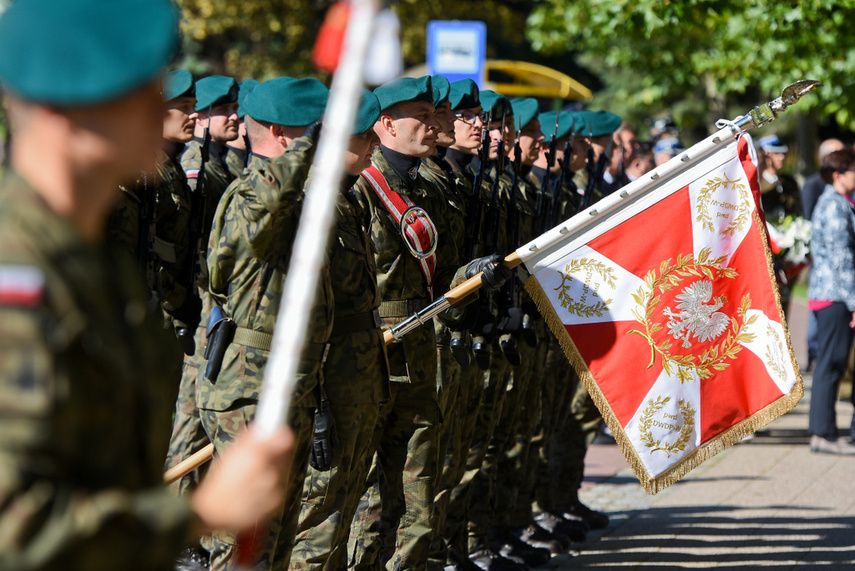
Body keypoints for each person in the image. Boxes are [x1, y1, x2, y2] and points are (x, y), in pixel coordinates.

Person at [0, 0, 294, 569]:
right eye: (137, 88)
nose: (161, 107)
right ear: (67, 109)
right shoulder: (19, 274)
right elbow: (15, 527)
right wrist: (200, 515)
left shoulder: (89, 259)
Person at [197, 76, 331, 570]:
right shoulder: (248, 193)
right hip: (248, 389)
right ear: (279, 133)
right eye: (312, 129)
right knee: (243, 541)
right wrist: (316, 143)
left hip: (290, 382)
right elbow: (265, 210)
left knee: (277, 536)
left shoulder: (298, 197)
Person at [288, 88, 389, 570]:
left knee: (342, 511)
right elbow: (308, 319)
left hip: (358, 380)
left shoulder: (345, 201)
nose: (373, 144)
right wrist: (320, 404)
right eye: (363, 135)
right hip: (328, 385)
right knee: (318, 520)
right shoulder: (314, 205)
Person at [806, 148, 855, 455]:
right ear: (838, 175)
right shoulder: (833, 205)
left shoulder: (836, 202)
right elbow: (842, 260)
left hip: (831, 294)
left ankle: (822, 431)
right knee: (831, 363)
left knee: (831, 362)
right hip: (835, 295)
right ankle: (823, 433)